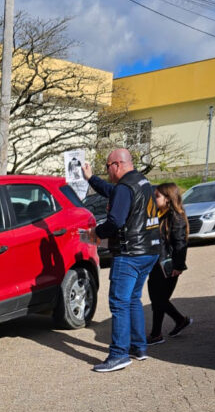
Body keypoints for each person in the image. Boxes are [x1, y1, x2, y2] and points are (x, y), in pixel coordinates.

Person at [82, 148, 161, 372]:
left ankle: (118, 354)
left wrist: (98, 232)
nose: (107, 173)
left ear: (116, 165)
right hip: (149, 251)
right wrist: (91, 179)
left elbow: (115, 221)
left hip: (130, 254)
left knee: (119, 302)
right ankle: (139, 347)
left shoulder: (125, 187)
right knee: (133, 299)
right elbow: (112, 191)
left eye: (107, 168)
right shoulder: (141, 181)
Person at [147, 182, 192, 344]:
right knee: (157, 299)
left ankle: (157, 334)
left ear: (168, 198)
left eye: (157, 196)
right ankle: (179, 321)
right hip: (155, 264)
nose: (154, 198)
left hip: (168, 266)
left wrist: (178, 266)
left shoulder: (176, 217)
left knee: (159, 300)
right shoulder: (158, 214)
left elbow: (180, 243)